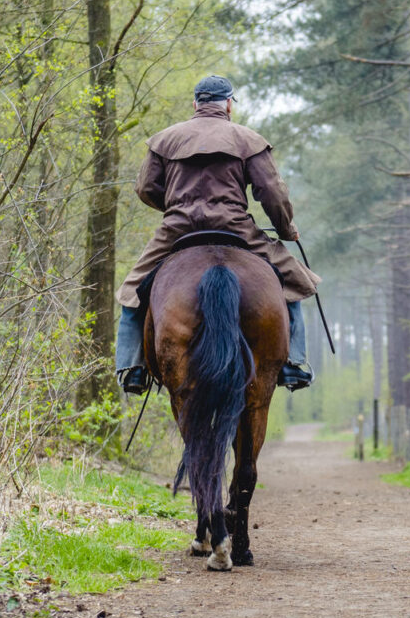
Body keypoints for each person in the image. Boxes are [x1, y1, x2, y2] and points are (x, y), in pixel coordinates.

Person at [114, 75, 320, 393]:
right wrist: (285, 229)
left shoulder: (164, 140)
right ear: (228, 104)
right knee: (295, 282)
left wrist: (174, 208)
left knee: (131, 291)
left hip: (177, 230)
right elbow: (272, 193)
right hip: (236, 228)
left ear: (196, 103)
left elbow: (145, 188)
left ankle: (133, 368)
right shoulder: (248, 139)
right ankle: (294, 363)